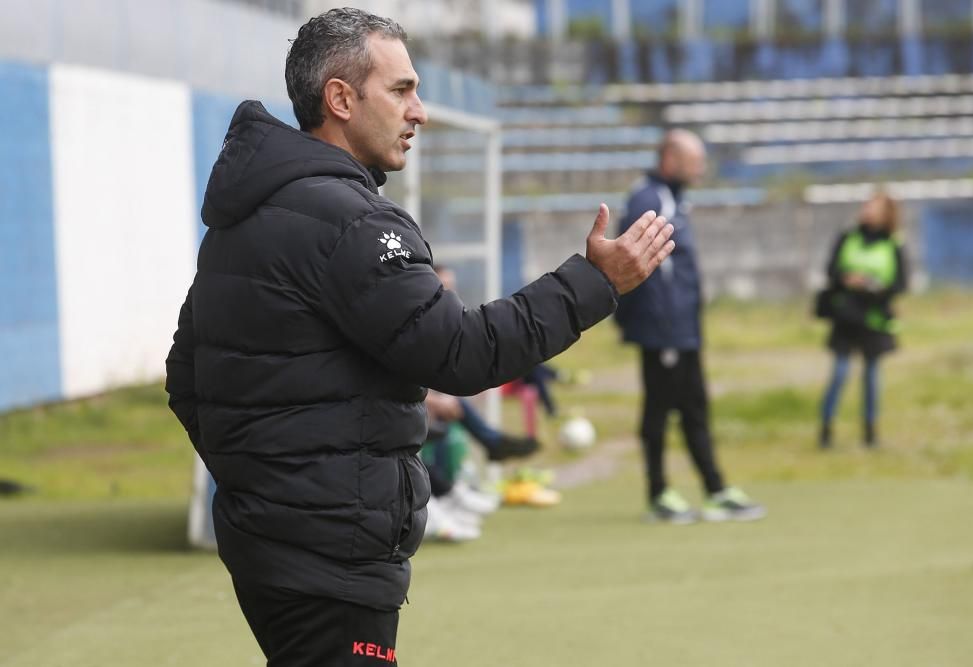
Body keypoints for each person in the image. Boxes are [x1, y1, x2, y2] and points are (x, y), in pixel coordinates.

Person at [164, 8, 674, 666]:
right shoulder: (346, 219)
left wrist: (261, 487)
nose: (421, 111)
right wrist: (594, 283)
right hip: (327, 558)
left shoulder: (248, 214)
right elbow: (461, 353)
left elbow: (185, 373)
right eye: (402, 90)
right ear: (341, 99)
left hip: (273, 550)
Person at [613, 129, 765, 525]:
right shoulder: (650, 199)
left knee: (695, 407)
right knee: (660, 411)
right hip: (664, 330)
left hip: (682, 329)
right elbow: (635, 265)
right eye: (694, 161)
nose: (701, 169)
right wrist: (646, 323)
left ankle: (715, 490)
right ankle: (660, 493)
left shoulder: (676, 200)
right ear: (670, 160)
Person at [818, 192, 908, 449]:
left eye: (874, 207)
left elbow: (900, 284)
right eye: (867, 205)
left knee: (871, 377)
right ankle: (826, 431)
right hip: (846, 315)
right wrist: (848, 279)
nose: (867, 210)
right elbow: (831, 271)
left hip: (874, 318)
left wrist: (872, 285)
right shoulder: (849, 236)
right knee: (839, 373)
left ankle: (870, 434)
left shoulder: (893, 244)